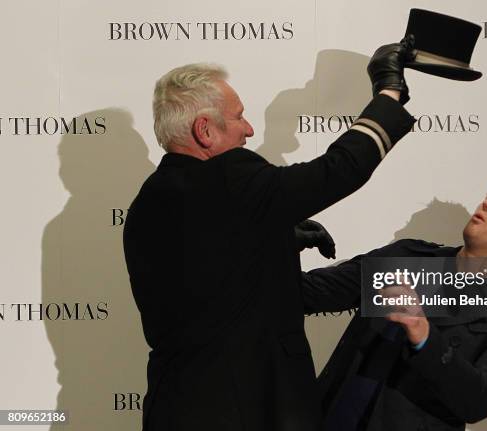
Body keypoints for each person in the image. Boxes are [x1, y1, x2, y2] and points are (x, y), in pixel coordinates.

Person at [123, 41, 417, 431]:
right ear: (205, 130)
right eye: (239, 117)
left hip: (175, 407)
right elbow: (338, 170)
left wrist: (275, 233)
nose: (249, 129)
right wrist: (388, 93)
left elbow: (210, 263)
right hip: (252, 408)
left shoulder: (149, 200)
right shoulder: (230, 178)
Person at [301, 170, 487, 431]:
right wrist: (277, 238)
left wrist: (424, 335)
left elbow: (477, 402)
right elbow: (311, 294)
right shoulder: (404, 257)